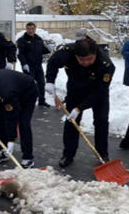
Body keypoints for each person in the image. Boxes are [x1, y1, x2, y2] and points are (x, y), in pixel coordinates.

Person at [45, 39, 115, 168]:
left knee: (101, 122)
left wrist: (79, 109)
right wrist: (50, 80)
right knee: (71, 123)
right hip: (75, 90)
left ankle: (102, 154)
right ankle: (68, 155)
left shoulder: (106, 65)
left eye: (89, 59)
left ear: (95, 54)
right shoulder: (67, 53)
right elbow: (53, 62)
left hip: (97, 93)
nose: (86, 62)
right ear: (76, 56)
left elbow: (99, 92)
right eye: (82, 60)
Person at [16, 22, 52, 108]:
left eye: (32, 29)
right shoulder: (22, 40)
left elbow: (42, 50)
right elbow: (20, 54)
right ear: (26, 29)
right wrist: (24, 64)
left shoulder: (38, 39)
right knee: (29, 85)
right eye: (29, 29)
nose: (30, 31)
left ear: (35, 29)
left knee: (41, 83)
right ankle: (27, 101)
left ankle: (42, 100)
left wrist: (49, 49)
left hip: (38, 65)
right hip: (28, 66)